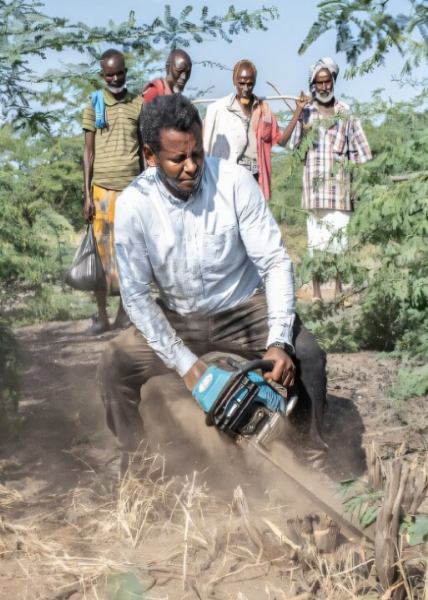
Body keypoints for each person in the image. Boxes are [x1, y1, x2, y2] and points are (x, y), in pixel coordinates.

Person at [98, 94, 327, 464]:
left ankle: (313, 457)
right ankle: (137, 463)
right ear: (150, 155)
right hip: (176, 317)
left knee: (309, 356)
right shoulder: (132, 205)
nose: (191, 166)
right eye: (177, 159)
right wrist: (187, 365)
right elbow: (137, 297)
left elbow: (274, 262)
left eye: (197, 154)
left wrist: (279, 342)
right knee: (113, 365)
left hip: (241, 308)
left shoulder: (235, 182)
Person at [290, 57, 372, 301]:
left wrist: (356, 184)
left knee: (340, 243)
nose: (324, 87)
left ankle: (337, 291)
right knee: (316, 244)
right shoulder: (305, 112)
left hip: (340, 189)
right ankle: (315, 294)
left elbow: (361, 151)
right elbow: (295, 148)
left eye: (328, 82)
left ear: (333, 82)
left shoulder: (345, 111)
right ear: (314, 84)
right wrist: (300, 117)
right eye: (320, 83)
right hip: (314, 191)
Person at [82, 49, 144, 333]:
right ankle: (102, 315)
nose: (116, 78)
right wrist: (86, 194)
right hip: (102, 192)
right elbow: (88, 153)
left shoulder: (138, 104)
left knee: (129, 254)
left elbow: (144, 152)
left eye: (120, 73)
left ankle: (123, 314)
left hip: (131, 191)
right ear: (102, 76)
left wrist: (147, 189)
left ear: (126, 72)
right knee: (101, 254)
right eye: (110, 75)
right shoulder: (94, 104)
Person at [202, 59, 308, 201]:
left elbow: (281, 141)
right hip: (228, 177)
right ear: (234, 81)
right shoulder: (221, 110)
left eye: (250, 83)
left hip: (254, 178)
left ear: (255, 82)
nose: (245, 88)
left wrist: (298, 110)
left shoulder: (264, 111)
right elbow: (203, 140)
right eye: (241, 83)